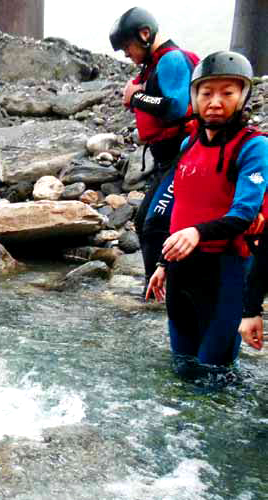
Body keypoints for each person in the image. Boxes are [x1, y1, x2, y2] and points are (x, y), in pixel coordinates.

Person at [145, 52, 268, 374]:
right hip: (180, 270)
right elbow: (179, 208)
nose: (215, 101)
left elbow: (245, 213)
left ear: (243, 96)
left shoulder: (254, 146)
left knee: (215, 371)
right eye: (206, 93)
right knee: (182, 366)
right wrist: (162, 263)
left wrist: (197, 232)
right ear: (195, 98)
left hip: (224, 271)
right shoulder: (190, 143)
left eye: (227, 93)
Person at [109, 7, 199, 288]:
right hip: (166, 159)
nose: (126, 54)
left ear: (144, 34)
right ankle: (157, 289)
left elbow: (175, 109)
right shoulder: (154, 65)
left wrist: (137, 98)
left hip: (183, 155)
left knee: (155, 223)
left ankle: (160, 293)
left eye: (127, 47)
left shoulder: (171, 60)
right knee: (143, 220)